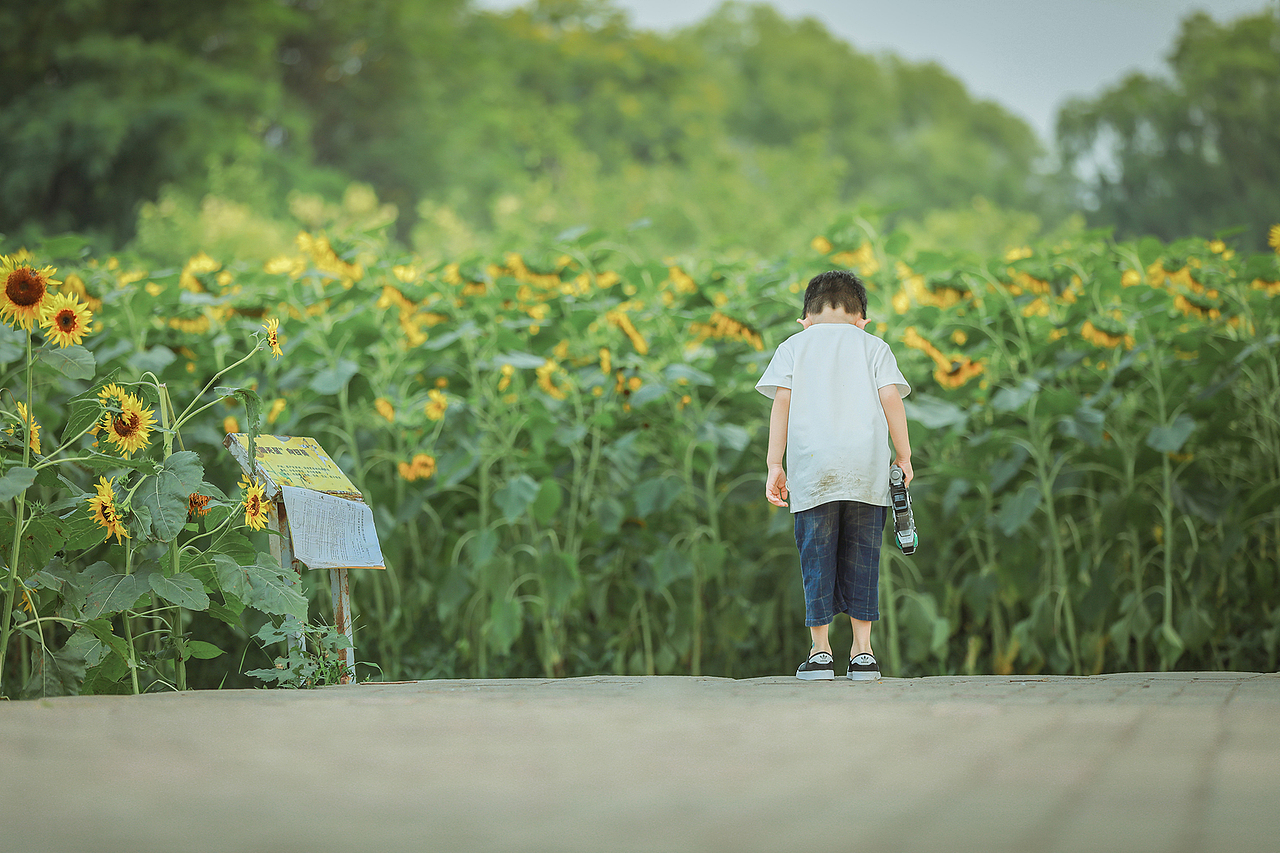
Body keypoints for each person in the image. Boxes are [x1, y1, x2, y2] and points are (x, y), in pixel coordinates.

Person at [756, 269, 913, 681]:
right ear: (862, 319)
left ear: (804, 318)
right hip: (867, 472)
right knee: (864, 555)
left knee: (816, 557)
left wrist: (775, 464)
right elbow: (891, 398)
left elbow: (781, 405)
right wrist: (904, 454)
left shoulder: (793, 346)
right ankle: (863, 653)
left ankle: (821, 651)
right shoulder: (874, 347)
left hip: (813, 471)